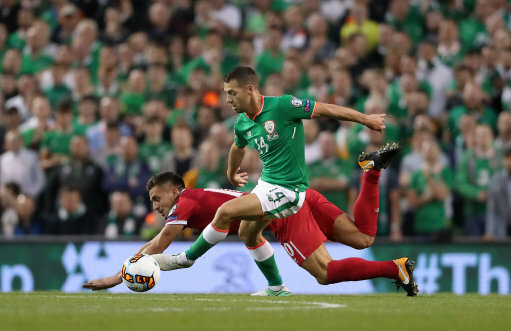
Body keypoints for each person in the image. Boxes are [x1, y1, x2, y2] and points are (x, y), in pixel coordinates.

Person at [158, 66, 389, 282]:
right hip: (266, 186)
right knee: (248, 233)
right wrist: (231, 173)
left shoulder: (283, 106)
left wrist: (365, 119)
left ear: (250, 89)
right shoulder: (242, 122)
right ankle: (277, 287)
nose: (228, 100)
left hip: (290, 191)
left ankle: (185, 259)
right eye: (226, 94)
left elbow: (326, 109)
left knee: (226, 211)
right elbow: (237, 147)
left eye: (232, 93)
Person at [83, 168, 417, 296]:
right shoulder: (196, 200)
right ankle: (371, 175)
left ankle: (393, 268)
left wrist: (117, 277)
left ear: (174, 191)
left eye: (157, 198)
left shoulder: (183, 203)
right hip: (302, 196)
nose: (156, 206)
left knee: (325, 273)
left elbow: (159, 243)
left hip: (283, 213)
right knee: (363, 238)